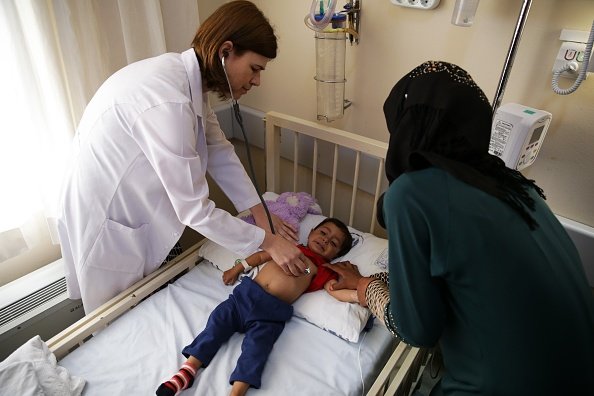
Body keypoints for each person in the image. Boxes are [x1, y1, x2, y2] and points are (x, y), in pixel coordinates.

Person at [329, 61, 594, 395]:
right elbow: (469, 274)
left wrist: (368, 287)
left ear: (406, 126)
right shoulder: (512, 184)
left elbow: (417, 329)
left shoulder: (410, 195)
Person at [57, 1, 308, 314]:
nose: (257, 81)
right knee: (116, 322)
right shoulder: (167, 101)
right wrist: (268, 242)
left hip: (128, 210)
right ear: (225, 51)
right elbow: (195, 210)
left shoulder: (187, 84)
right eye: (255, 68)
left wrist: (261, 214)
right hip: (108, 224)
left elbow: (219, 150)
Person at [156, 217, 353, 396]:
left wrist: (358, 293)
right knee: (216, 323)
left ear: (335, 255)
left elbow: (333, 289)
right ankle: (188, 370)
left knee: (257, 350)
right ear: (310, 233)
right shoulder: (287, 247)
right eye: (323, 233)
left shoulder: (319, 269)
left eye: (333, 243)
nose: (326, 240)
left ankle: (237, 392)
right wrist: (238, 268)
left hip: (270, 314)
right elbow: (260, 257)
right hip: (245, 297)